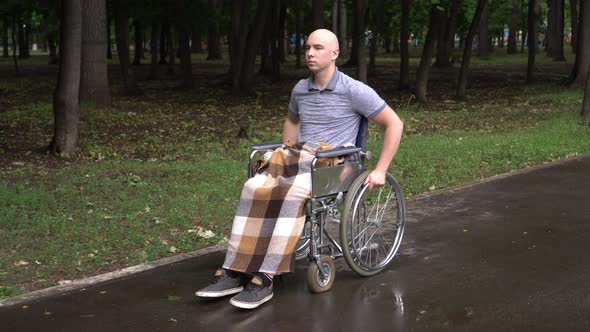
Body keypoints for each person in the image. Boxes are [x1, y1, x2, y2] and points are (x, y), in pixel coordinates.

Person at [195, 29, 403, 309]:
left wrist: (380, 169)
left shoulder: (354, 90)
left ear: (334, 54)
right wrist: (286, 147)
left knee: (292, 192)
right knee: (253, 186)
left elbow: (395, 123)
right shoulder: (300, 89)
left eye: (318, 48)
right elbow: (292, 121)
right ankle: (234, 269)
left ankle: (266, 276)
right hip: (300, 156)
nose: (310, 53)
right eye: (307, 48)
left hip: (333, 164)